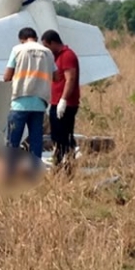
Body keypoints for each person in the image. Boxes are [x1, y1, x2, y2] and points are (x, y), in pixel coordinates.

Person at [3, 27, 55, 170]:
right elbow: (56, 76)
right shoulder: (47, 52)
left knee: (13, 141)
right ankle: (34, 173)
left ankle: (10, 173)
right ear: (36, 37)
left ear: (22, 39)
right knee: (36, 141)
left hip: (20, 102)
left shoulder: (18, 50)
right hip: (39, 103)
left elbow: (7, 76)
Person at [41, 29, 80, 168]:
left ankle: (66, 162)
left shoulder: (67, 56)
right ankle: (60, 161)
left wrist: (63, 100)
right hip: (56, 101)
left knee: (64, 135)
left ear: (53, 43)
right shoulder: (56, 57)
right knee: (57, 135)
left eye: (46, 46)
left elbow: (71, 79)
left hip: (66, 104)